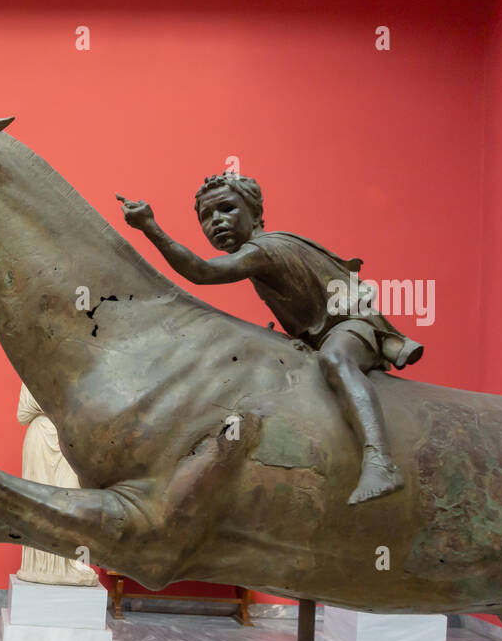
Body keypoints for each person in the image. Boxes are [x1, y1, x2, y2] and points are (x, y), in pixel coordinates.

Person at [118, 173, 423, 504]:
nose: (216, 221)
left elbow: (202, 272)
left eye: (226, 209)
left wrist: (150, 227)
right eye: (206, 216)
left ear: (255, 214)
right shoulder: (261, 251)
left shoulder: (264, 249)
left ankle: (380, 460)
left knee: (335, 360)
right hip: (324, 333)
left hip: (351, 326)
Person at [16, 383, 99, 585]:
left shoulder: (73, 371)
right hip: (41, 437)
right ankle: (39, 566)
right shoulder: (30, 373)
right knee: (39, 503)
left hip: (69, 440)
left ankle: (71, 563)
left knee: (71, 500)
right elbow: (22, 414)